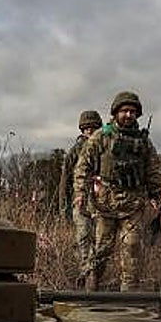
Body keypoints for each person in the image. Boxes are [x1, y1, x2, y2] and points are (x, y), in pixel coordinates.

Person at [73, 91, 161, 291]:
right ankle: (90, 291)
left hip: (133, 204)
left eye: (133, 112)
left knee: (132, 249)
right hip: (105, 204)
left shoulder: (143, 142)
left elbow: (153, 170)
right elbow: (82, 167)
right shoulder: (101, 137)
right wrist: (80, 193)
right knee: (102, 250)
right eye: (125, 111)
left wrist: (158, 194)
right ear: (116, 112)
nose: (129, 115)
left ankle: (128, 295)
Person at [58, 109, 104, 287]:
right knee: (83, 238)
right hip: (80, 202)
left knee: (100, 243)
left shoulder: (105, 148)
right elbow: (65, 182)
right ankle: (87, 276)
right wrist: (63, 208)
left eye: (93, 128)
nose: (90, 131)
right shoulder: (75, 151)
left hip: (102, 203)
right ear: (82, 130)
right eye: (87, 128)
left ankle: (94, 276)